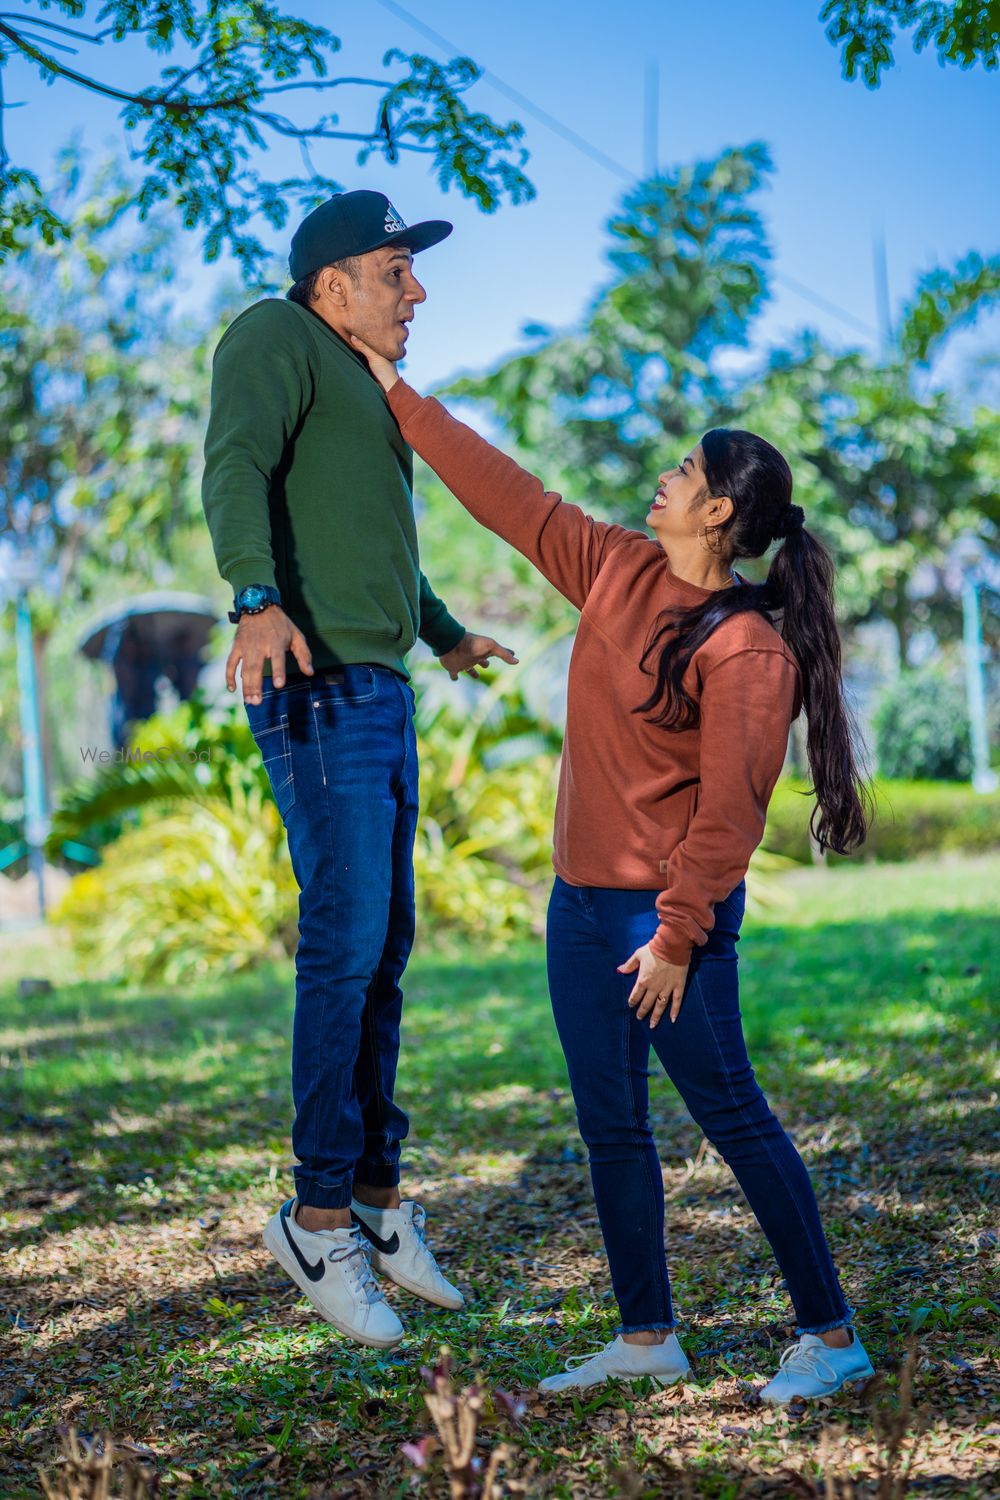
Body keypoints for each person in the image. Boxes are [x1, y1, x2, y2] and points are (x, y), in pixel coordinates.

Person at [349, 331, 877, 1403]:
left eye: (685, 471)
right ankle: (647, 1336)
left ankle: (830, 1335)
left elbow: (730, 816)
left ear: (720, 511)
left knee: (731, 1115)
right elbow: (511, 497)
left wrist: (677, 935)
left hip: (660, 924)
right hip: (579, 910)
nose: (665, 476)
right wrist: (398, 393)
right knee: (609, 1127)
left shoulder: (745, 648)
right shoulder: (616, 569)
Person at [201, 191, 516, 1350]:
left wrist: (442, 636)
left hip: (375, 682)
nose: (417, 291)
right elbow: (232, 469)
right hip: (316, 682)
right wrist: (253, 598)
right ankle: (318, 1215)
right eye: (397, 271)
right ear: (331, 283)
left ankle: (378, 1204)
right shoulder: (273, 336)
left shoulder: (368, 387)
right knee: (343, 942)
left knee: (384, 944)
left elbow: (373, 538)